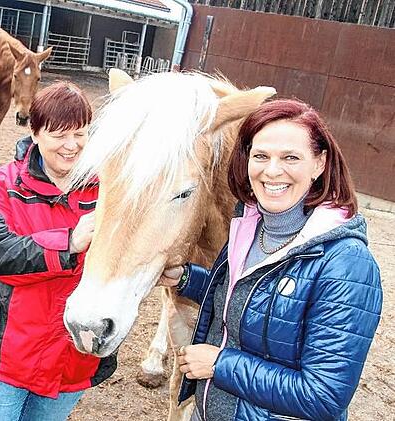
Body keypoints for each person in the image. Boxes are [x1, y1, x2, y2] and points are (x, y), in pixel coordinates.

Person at [159, 99, 382, 421]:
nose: (272, 170)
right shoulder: (250, 227)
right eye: (261, 156)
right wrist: (185, 278)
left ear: (319, 164)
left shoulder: (347, 263)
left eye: (290, 157)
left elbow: (324, 396)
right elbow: (248, 299)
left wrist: (221, 365)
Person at [0, 82, 117, 421]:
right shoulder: (5, 183)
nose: (71, 145)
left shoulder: (109, 189)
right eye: (59, 134)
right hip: (7, 356)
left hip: (71, 357)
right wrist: (69, 243)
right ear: (34, 133)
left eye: (80, 133)